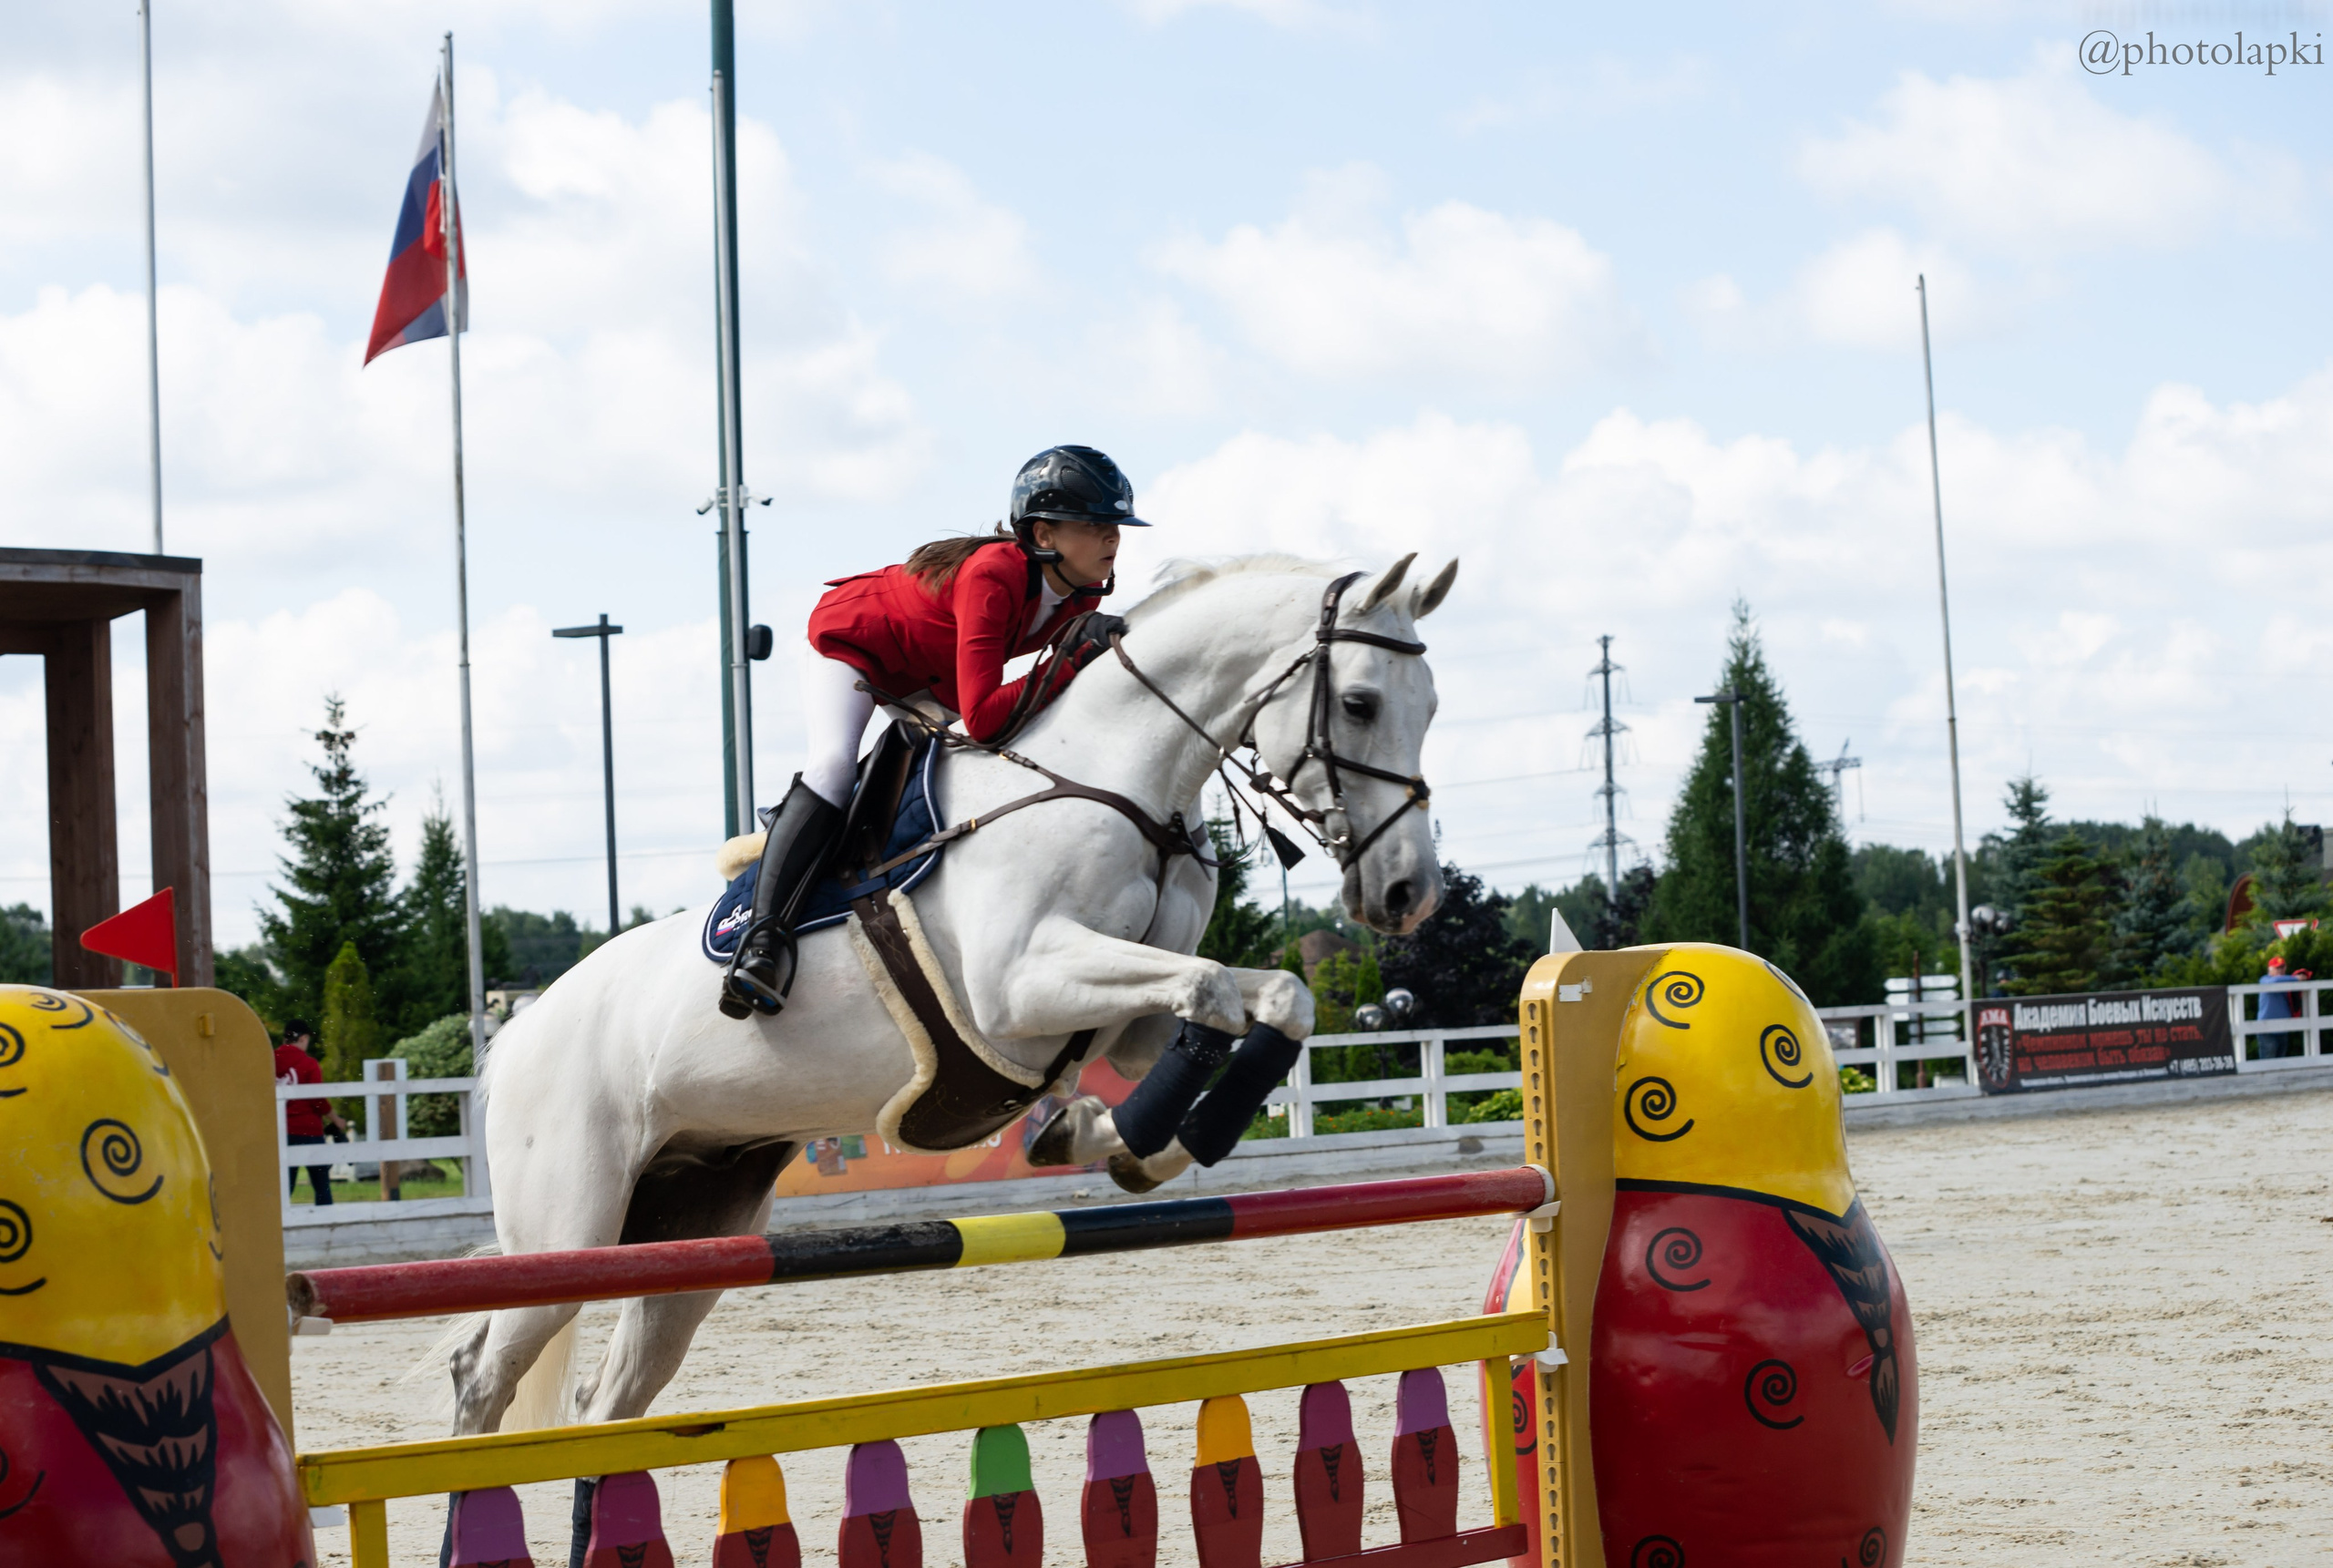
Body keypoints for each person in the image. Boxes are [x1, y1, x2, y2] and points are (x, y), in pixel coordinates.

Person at [720, 445, 1146, 1018]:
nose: (1113, 538)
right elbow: (989, 715)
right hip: (856, 644)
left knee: (966, 777)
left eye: (1115, 526)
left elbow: (1029, 702)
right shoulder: (994, 573)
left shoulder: (1085, 590)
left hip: (929, 677)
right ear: (1044, 535)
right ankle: (763, 941)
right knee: (833, 765)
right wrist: (1070, 658)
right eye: (1094, 525)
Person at [274, 1020, 347, 1205]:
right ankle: (326, 1218)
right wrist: (335, 1119)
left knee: (285, 1187)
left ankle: (279, 1220)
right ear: (304, 1038)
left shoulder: (269, 1060)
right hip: (309, 1130)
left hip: (280, 1131)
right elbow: (317, 1100)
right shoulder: (309, 1064)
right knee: (321, 1185)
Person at [2256, 954, 2309, 1059]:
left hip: (2283, 1027)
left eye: (2282, 967)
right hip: (2266, 1028)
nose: (2280, 970)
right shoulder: (2265, 979)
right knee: (2269, 1057)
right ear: (2270, 969)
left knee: (2281, 1059)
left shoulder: (2288, 981)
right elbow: (2273, 981)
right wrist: (2297, 978)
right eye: (2277, 968)